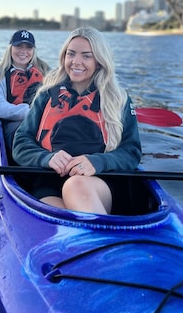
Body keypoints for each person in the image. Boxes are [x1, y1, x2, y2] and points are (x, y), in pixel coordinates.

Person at [12, 26, 141, 215]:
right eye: (71, 54)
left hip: (99, 182)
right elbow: (21, 144)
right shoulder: (46, 95)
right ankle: (107, 239)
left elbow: (131, 152)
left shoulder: (118, 100)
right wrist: (46, 158)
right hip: (50, 184)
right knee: (63, 215)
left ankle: (103, 238)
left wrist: (97, 162)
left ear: (99, 61)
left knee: (76, 185)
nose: (76, 62)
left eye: (86, 56)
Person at [0, 30, 50, 151]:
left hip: (44, 122)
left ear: (33, 50)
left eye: (28, 47)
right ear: (10, 48)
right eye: (18, 46)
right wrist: (28, 113)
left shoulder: (46, 71)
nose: (23, 51)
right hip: (15, 124)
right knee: (21, 132)